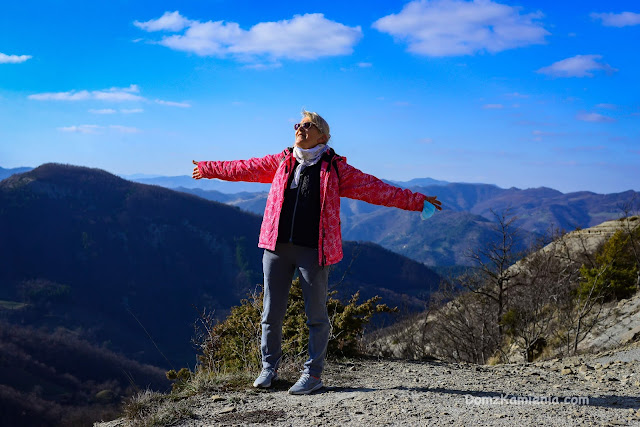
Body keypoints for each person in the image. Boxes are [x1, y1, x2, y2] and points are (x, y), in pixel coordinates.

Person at [192, 110, 441, 395]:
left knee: (316, 315)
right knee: (271, 313)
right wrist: (209, 168)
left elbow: (377, 189)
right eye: (298, 124)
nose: (300, 128)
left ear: (323, 135)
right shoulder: (282, 161)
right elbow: (243, 168)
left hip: (314, 251)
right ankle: (268, 368)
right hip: (276, 247)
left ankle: (313, 374)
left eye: (308, 125)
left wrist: (417, 201)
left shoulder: (335, 168)